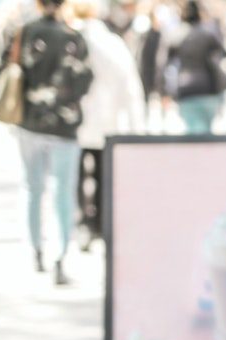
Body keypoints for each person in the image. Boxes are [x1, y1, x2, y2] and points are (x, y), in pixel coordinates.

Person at [0, 0, 94, 285]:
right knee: (63, 192)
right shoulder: (74, 38)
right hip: (64, 126)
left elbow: (6, 69)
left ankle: (35, 249)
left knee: (32, 187)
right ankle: (60, 255)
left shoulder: (24, 32)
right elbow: (85, 80)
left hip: (29, 121)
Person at [73, 0, 145, 250]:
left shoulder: (73, 39)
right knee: (103, 174)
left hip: (77, 121)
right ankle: (100, 223)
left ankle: (83, 221)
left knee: (79, 173)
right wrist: (137, 128)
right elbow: (131, 86)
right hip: (106, 121)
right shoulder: (111, 43)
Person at [166, 1, 226, 134]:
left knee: (193, 134)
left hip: (187, 90)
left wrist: (165, 91)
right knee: (205, 134)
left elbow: (167, 64)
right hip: (207, 89)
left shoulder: (177, 37)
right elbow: (218, 59)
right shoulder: (207, 35)